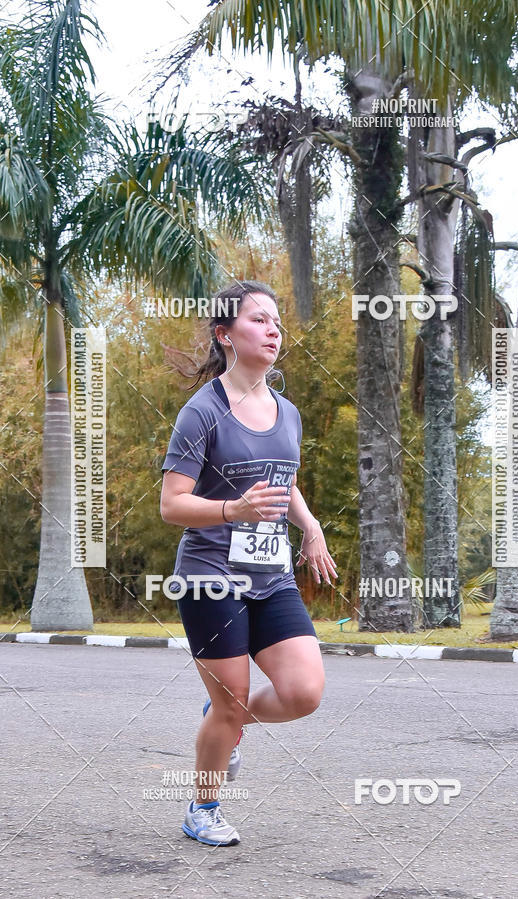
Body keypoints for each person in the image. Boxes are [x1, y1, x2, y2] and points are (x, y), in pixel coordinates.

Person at [160, 280, 337, 846]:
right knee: (229, 703)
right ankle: (202, 808)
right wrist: (232, 508)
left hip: (272, 575)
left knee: (303, 691)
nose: (273, 331)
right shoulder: (202, 412)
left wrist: (308, 527)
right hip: (212, 579)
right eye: (258, 320)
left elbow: (284, 481)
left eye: (277, 323)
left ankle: (228, 722)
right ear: (225, 335)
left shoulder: (287, 412)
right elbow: (172, 504)